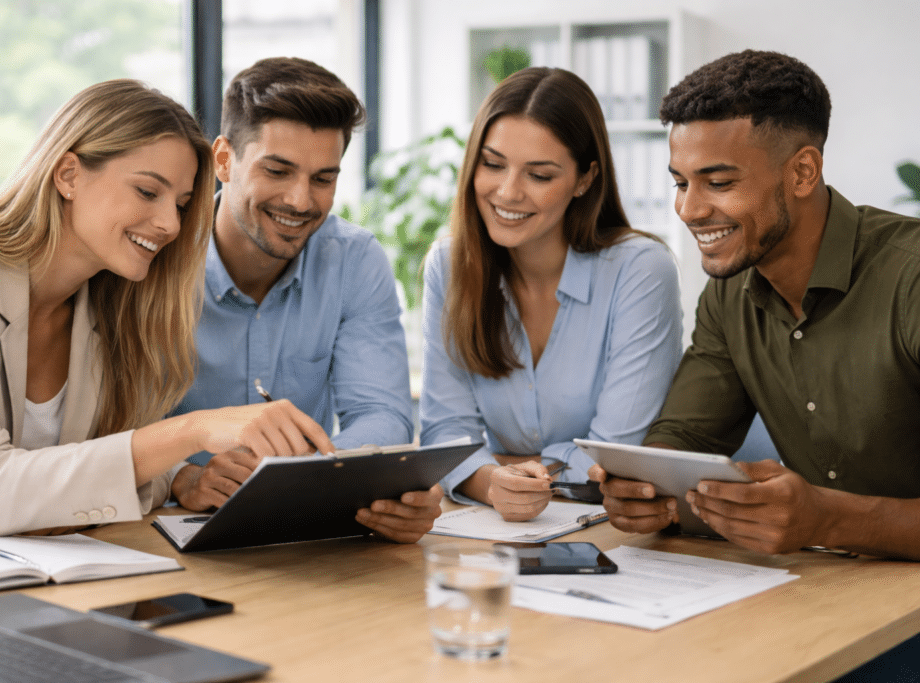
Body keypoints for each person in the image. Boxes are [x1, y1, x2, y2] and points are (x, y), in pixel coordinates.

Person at [0, 79, 335, 543]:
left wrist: (183, 477)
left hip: (45, 587)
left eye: (183, 204)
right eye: (148, 192)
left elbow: (84, 464)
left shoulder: (112, 304)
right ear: (68, 175)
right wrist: (192, 431)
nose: (170, 224)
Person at [590, 50, 920, 562]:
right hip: (833, 590)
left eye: (719, 183)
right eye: (680, 182)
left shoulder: (911, 278)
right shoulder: (729, 292)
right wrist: (645, 484)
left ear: (803, 172)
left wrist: (828, 518)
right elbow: (687, 433)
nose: (690, 210)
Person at [168, 57, 440, 543]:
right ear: (224, 160)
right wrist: (182, 475)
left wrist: (306, 476)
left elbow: (384, 415)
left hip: (305, 540)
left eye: (323, 179)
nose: (300, 201)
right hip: (166, 532)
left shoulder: (355, 261)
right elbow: (112, 426)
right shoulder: (159, 260)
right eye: (278, 170)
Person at [419, 67, 683, 522]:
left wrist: (514, 469)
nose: (507, 192)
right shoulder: (449, 266)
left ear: (584, 179)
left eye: (539, 175)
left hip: (614, 530)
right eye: (493, 164)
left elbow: (616, 452)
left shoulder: (640, 270)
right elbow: (447, 431)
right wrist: (492, 484)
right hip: (497, 526)